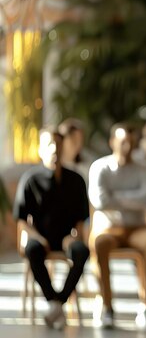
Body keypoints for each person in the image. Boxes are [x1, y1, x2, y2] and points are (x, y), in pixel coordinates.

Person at [88, 123, 146, 330]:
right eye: (123, 142)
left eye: (131, 142)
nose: (127, 147)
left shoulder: (144, 169)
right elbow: (100, 201)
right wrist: (132, 198)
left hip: (136, 229)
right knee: (99, 243)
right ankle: (107, 306)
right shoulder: (99, 167)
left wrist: (116, 197)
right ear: (112, 142)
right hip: (108, 229)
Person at [13, 127, 90, 329]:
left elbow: (81, 219)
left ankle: (57, 303)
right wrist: (37, 237)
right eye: (49, 145)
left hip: (67, 238)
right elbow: (21, 221)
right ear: (40, 149)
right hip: (40, 238)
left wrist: (75, 237)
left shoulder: (76, 180)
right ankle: (53, 301)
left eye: (58, 144)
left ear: (64, 147)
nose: (54, 149)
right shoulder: (30, 180)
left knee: (82, 252)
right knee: (32, 250)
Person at [58, 118, 95, 183]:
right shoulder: (54, 163)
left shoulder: (87, 162)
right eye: (74, 139)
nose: (78, 144)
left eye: (80, 139)